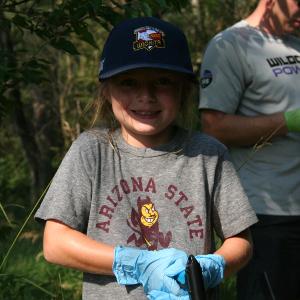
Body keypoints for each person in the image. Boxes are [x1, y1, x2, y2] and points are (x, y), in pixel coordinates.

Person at [35, 16, 257, 300]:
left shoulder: (208, 154)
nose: (146, 96)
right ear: (106, 89)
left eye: (163, 81)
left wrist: (211, 267)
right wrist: (137, 263)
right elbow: (55, 244)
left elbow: (241, 241)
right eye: (128, 82)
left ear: (184, 89)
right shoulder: (91, 151)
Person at [199, 1, 300, 299]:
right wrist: (291, 121)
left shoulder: (296, 42)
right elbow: (214, 127)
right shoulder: (231, 45)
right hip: (268, 215)